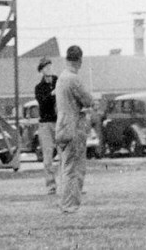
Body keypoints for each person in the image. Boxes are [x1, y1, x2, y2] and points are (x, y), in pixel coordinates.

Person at [53, 44, 95, 213]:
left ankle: (65, 202)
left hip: (62, 127)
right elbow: (88, 100)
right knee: (75, 169)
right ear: (80, 60)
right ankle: (70, 205)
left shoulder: (61, 77)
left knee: (65, 167)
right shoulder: (73, 78)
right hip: (74, 128)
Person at [34, 57, 59, 195]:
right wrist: (52, 94)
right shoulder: (39, 88)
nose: (49, 69)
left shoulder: (59, 81)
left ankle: (70, 184)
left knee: (66, 155)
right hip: (46, 124)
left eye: (50, 66)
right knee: (48, 157)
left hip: (60, 122)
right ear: (42, 70)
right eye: (46, 67)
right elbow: (43, 103)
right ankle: (51, 186)